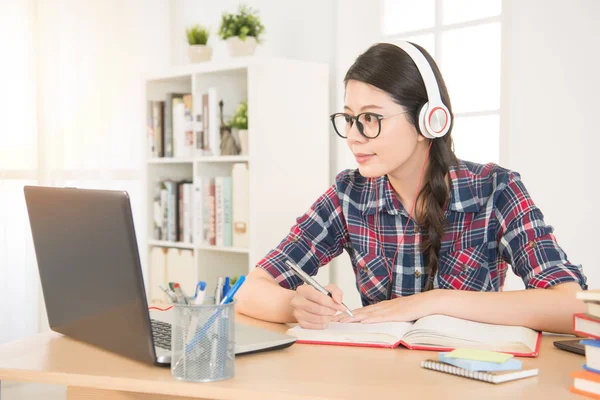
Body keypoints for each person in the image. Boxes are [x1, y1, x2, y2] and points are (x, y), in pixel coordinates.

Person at [235, 41, 588, 334]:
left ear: (428, 122)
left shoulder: (496, 189)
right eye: (349, 119)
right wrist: (296, 306)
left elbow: (572, 306)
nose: (355, 137)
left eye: (371, 119)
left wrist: (432, 301)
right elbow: (250, 290)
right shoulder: (348, 195)